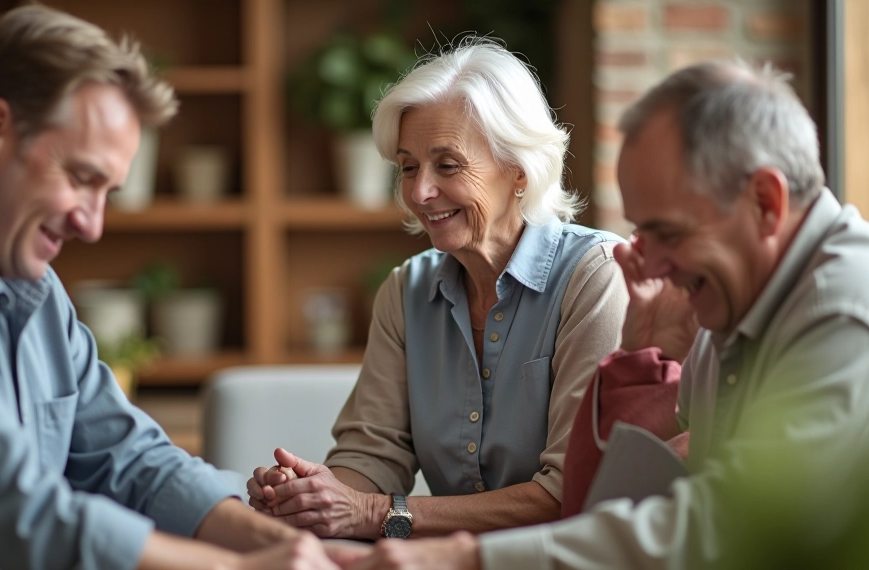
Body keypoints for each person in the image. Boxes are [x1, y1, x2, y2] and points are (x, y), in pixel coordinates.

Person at [0, 6, 349, 570]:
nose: (93, 225)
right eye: (82, 179)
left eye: (108, 191)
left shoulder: (31, 282)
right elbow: (22, 513)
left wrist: (285, 548)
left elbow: (131, 458)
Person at [338, 59, 869, 570]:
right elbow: (606, 501)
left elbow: (728, 525)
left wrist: (467, 561)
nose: (651, 264)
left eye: (669, 233)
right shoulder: (730, 305)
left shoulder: (843, 304)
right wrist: (635, 358)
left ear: (765, 203)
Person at [247, 39, 627, 540]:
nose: (419, 192)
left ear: (518, 169)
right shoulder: (407, 291)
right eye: (408, 167)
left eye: (447, 165)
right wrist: (312, 496)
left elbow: (570, 491)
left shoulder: (596, 276)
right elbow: (373, 455)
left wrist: (373, 512)